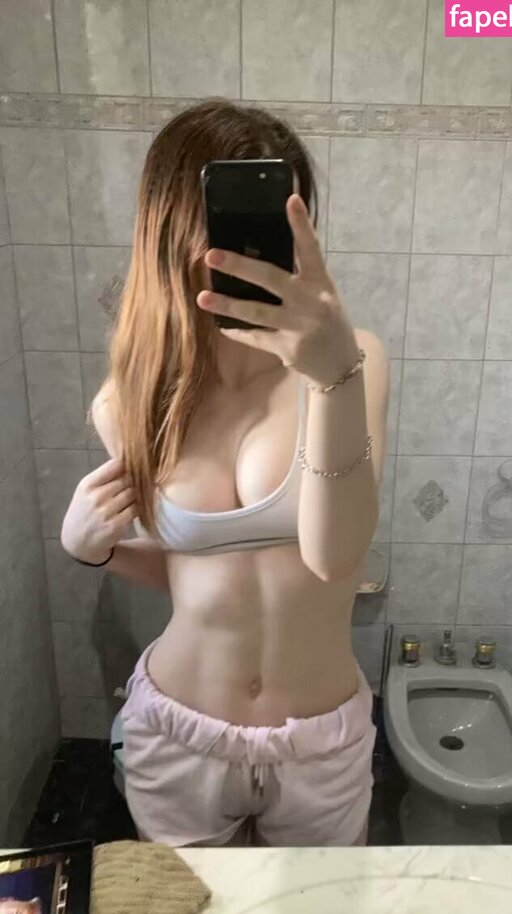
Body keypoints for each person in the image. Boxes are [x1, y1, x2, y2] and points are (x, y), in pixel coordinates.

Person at [61, 98, 389, 848]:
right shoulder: (131, 398)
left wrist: (333, 375)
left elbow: (334, 557)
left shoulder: (354, 361)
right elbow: (191, 573)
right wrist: (96, 551)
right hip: (177, 731)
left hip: (318, 741)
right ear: (173, 228)